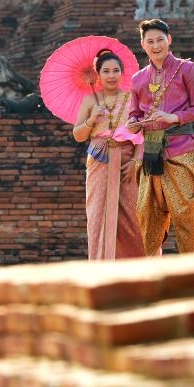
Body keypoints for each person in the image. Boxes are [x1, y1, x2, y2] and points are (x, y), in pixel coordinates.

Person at [126, 18, 194, 255]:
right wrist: (133, 123)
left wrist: (175, 117)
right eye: (150, 41)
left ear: (169, 40)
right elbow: (133, 113)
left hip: (182, 149)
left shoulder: (187, 69)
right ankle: (152, 271)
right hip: (150, 150)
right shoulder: (138, 79)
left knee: (183, 213)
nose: (156, 46)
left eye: (160, 40)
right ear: (143, 44)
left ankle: (187, 267)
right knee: (147, 214)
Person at [72, 49, 146, 259]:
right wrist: (91, 119)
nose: (111, 75)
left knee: (134, 217)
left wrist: (136, 161)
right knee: (98, 215)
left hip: (128, 161)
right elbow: (78, 135)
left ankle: (136, 268)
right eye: (106, 71)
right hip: (100, 159)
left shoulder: (132, 98)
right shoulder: (89, 101)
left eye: (115, 70)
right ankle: (102, 265)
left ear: (122, 73)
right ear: (98, 74)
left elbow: (143, 132)